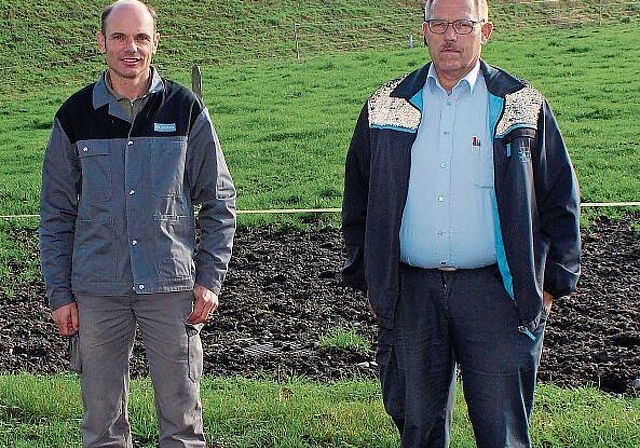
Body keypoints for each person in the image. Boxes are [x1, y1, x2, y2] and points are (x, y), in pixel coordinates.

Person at [341, 0, 581, 446]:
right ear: (425, 30)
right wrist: (370, 278)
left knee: (502, 432)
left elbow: (560, 198)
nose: (450, 35)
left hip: (498, 295)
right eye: (439, 24)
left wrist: (550, 286)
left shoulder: (522, 105)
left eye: (463, 24)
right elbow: (358, 198)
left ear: (485, 31)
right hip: (412, 294)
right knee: (418, 428)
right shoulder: (385, 104)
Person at [39, 1, 236, 446]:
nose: (132, 48)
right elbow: (56, 212)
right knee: (102, 427)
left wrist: (209, 279)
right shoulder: (74, 117)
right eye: (120, 37)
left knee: (183, 426)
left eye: (141, 38)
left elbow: (219, 200)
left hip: (171, 289)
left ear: (155, 42)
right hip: (97, 290)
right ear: (102, 42)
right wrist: (59, 292)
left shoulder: (185, 109)